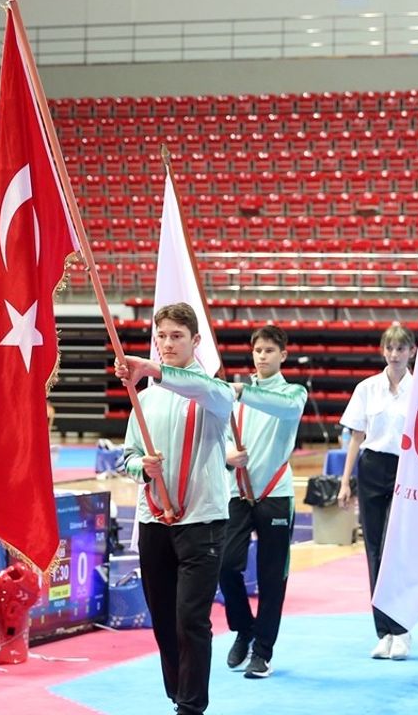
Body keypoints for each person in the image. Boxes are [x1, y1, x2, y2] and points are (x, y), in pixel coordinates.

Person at [116, 303, 236, 715]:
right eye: (162, 337)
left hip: (202, 522)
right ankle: (177, 694)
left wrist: (149, 367)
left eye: (177, 337)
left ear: (195, 342)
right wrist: (140, 466)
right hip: (153, 520)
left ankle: (191, 706)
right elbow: (127, 455)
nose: (167, 344)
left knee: (191, 619)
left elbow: (200, 389)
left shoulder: (214, 391)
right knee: (164, 619)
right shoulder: (143, 399)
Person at [220, 325, 307, 679]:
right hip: (238, 493)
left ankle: (263, 651)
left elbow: (284, 409)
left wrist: (241, 391)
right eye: (258, 350)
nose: (262, 356)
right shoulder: (236, 398)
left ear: (282, 355)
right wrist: (229, 455)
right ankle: (243, 628)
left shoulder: (293, 393)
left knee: (273, 578)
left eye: (270, 350)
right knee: (225, 565)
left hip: (276, 495)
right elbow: (221, 438)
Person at [338, 324, 415, 660]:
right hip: (371, 468)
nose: (395, 354)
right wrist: (344, 481)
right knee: (374, 551)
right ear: (383, 351)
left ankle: (403, 628)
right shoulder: (367, 388)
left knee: (398, 550)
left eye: (401, 348)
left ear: (412, 351)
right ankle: (383, 631)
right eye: (390, 348)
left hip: (406, 470)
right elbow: (356, 437)